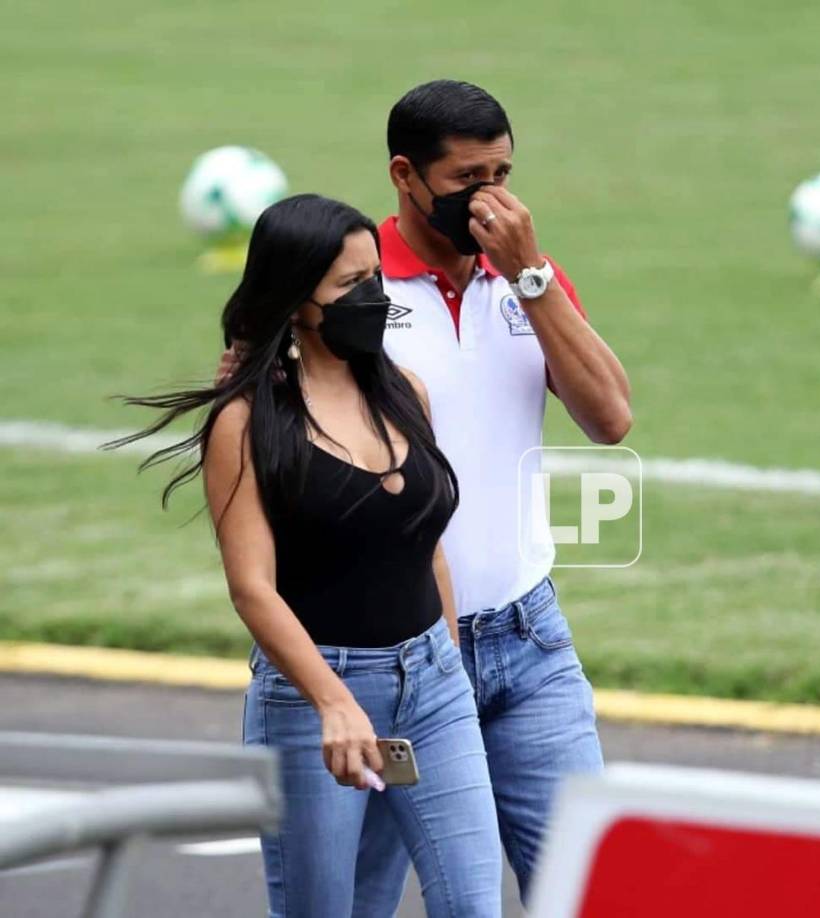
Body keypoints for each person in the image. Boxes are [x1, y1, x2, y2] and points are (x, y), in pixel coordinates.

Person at [219, 80, 633, 910]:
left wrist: (531, 277)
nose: (491, 199)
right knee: (352, 903)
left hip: (525, 645)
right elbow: (250, 408)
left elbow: (609, 418)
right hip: (372, 649)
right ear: (406, 176)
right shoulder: (345, 281)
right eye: (467, 179)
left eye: (503, 174)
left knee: (587, 889)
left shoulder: (532, 284)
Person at [107, 193, 503, 917]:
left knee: (472, 904)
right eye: (350, 286)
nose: (373, 296)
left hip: (434, 687)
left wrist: (445, 665)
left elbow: (428, 550)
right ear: (297, 302)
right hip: (311, 696)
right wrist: (334, 702)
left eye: (375, 277)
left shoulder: (405, 391)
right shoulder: (246, 423)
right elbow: (252, 587)